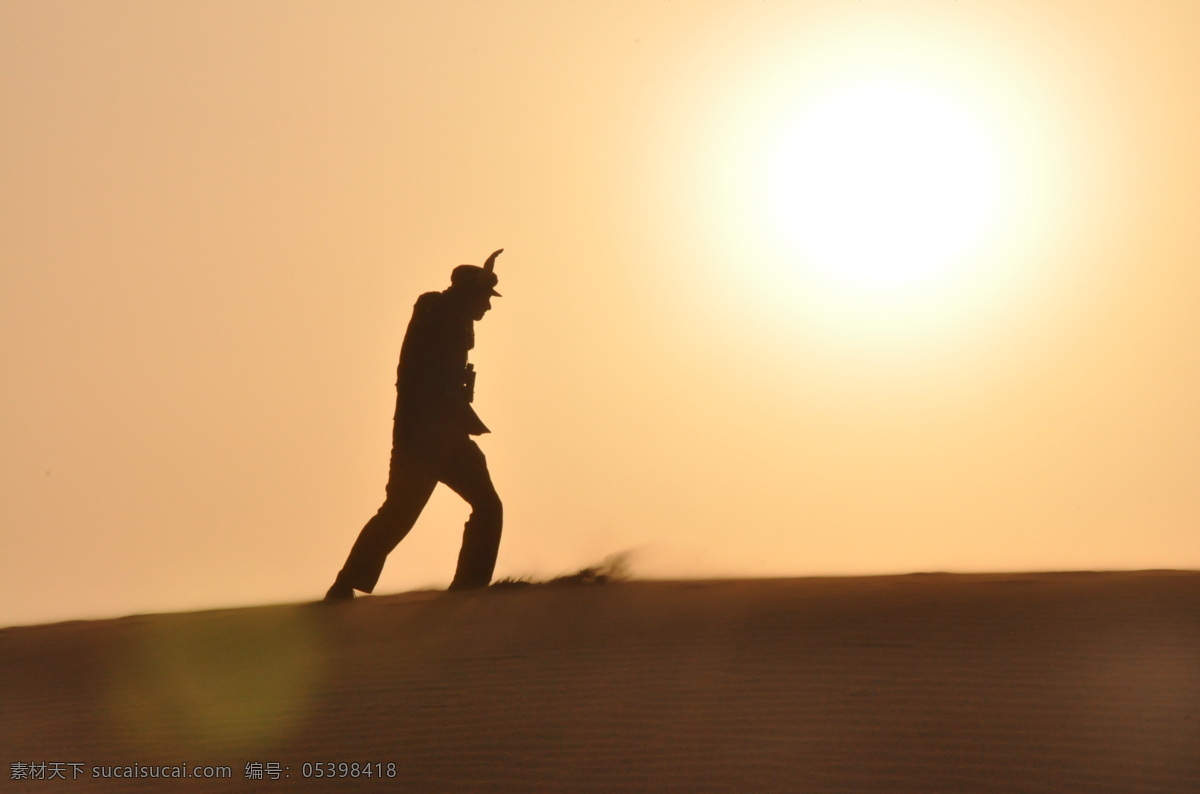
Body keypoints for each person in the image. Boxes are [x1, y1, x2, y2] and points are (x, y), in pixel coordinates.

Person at [324, 249, 505, 601]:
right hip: (420, 437)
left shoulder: (461, 320)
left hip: (450, 435)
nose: (489, 306)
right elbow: (438, 317)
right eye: (485, 298)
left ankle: (470, 586)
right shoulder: (434, 307)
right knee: (400, 511)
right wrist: (476, 282)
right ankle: (344, 586)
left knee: (487, 505)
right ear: (469, 294)